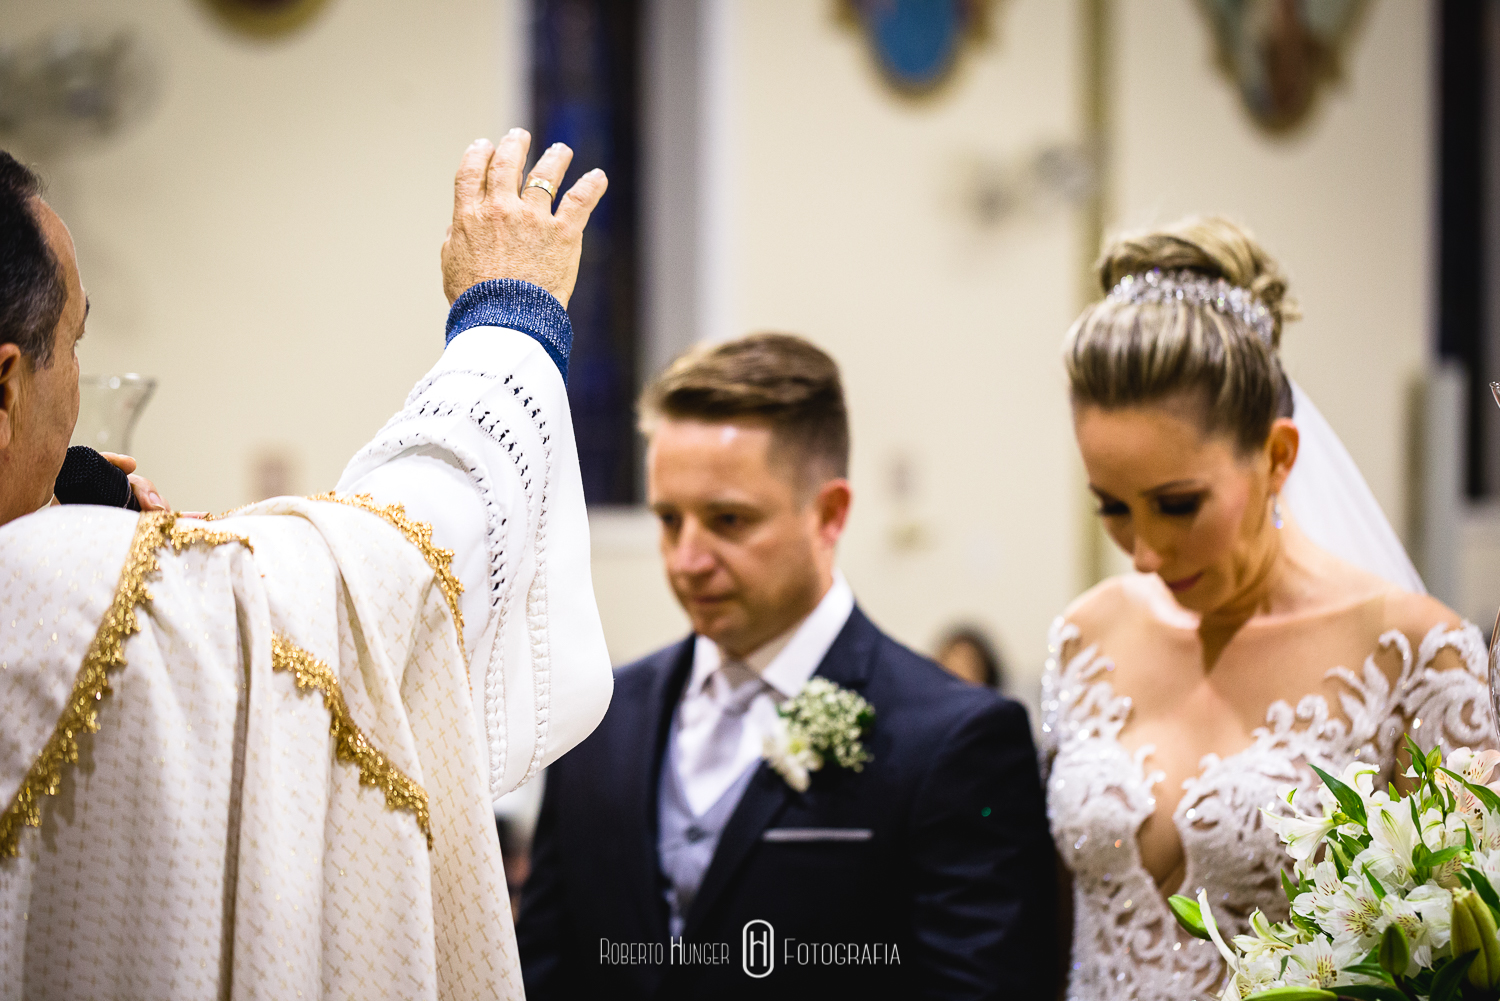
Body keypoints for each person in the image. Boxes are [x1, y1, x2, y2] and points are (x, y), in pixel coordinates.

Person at [0, 130, 614, 999]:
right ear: (4, 389)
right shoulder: (51, 588)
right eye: (72, 344)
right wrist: (512, 315)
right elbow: (397, 561)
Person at [517, 333, 1056, 999]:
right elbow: (543, 970)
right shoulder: (598, 714)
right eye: (669, 518)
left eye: (728, 519)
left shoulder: (956, 740)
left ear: (829, 514)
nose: (687, 557)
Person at [1040, 216, 1497, 1001]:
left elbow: (1463, 946)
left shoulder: (1414, 651)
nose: (1144, 552)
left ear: (1279, 456)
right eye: (1111, 507)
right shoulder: (1086, 636)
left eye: (1177, 504)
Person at [934, 625, 1006, 690]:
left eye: (967, 666)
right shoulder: (929, 701)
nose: (958, 675)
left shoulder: (997, 703)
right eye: (950, 671)